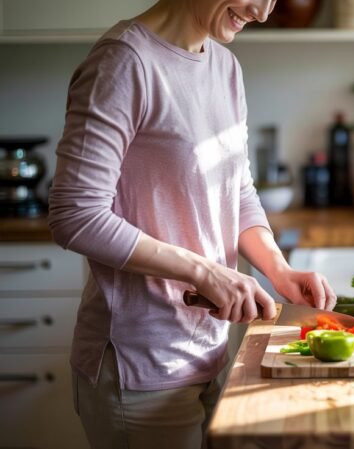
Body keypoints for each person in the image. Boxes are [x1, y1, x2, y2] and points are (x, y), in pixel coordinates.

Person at [47, 1, 336, 447]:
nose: (262, 12)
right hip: (140, 367)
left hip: (211, 352)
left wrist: (278, 270)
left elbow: (236, 191)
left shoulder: (225, 66)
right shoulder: (125, 62)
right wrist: (205, 271)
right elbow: (76, 214)